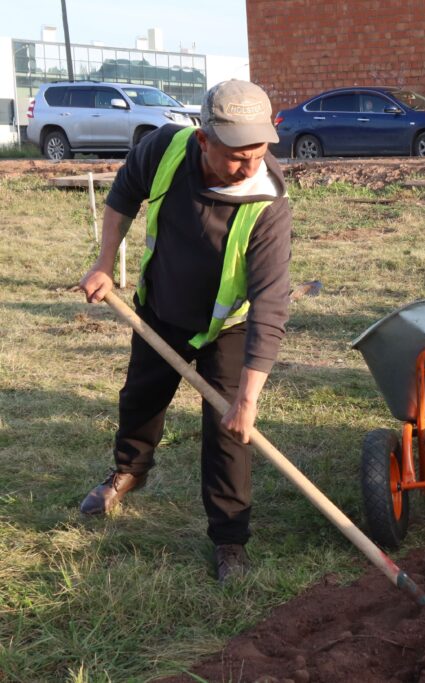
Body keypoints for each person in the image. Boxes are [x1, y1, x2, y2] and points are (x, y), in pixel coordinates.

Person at [77, 80, 292, 583]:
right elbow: (124, 194)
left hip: (228, 327)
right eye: (237, 156)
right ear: (204, 141)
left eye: (258, 152)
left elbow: (271, 304)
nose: (249, 166)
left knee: (228, 434)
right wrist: (105, 263)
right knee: (141, 398)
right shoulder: (166, 147)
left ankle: (230, 540)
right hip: (161, 308)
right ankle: (130, 470)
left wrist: (249, 399)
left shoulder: (267, 204)